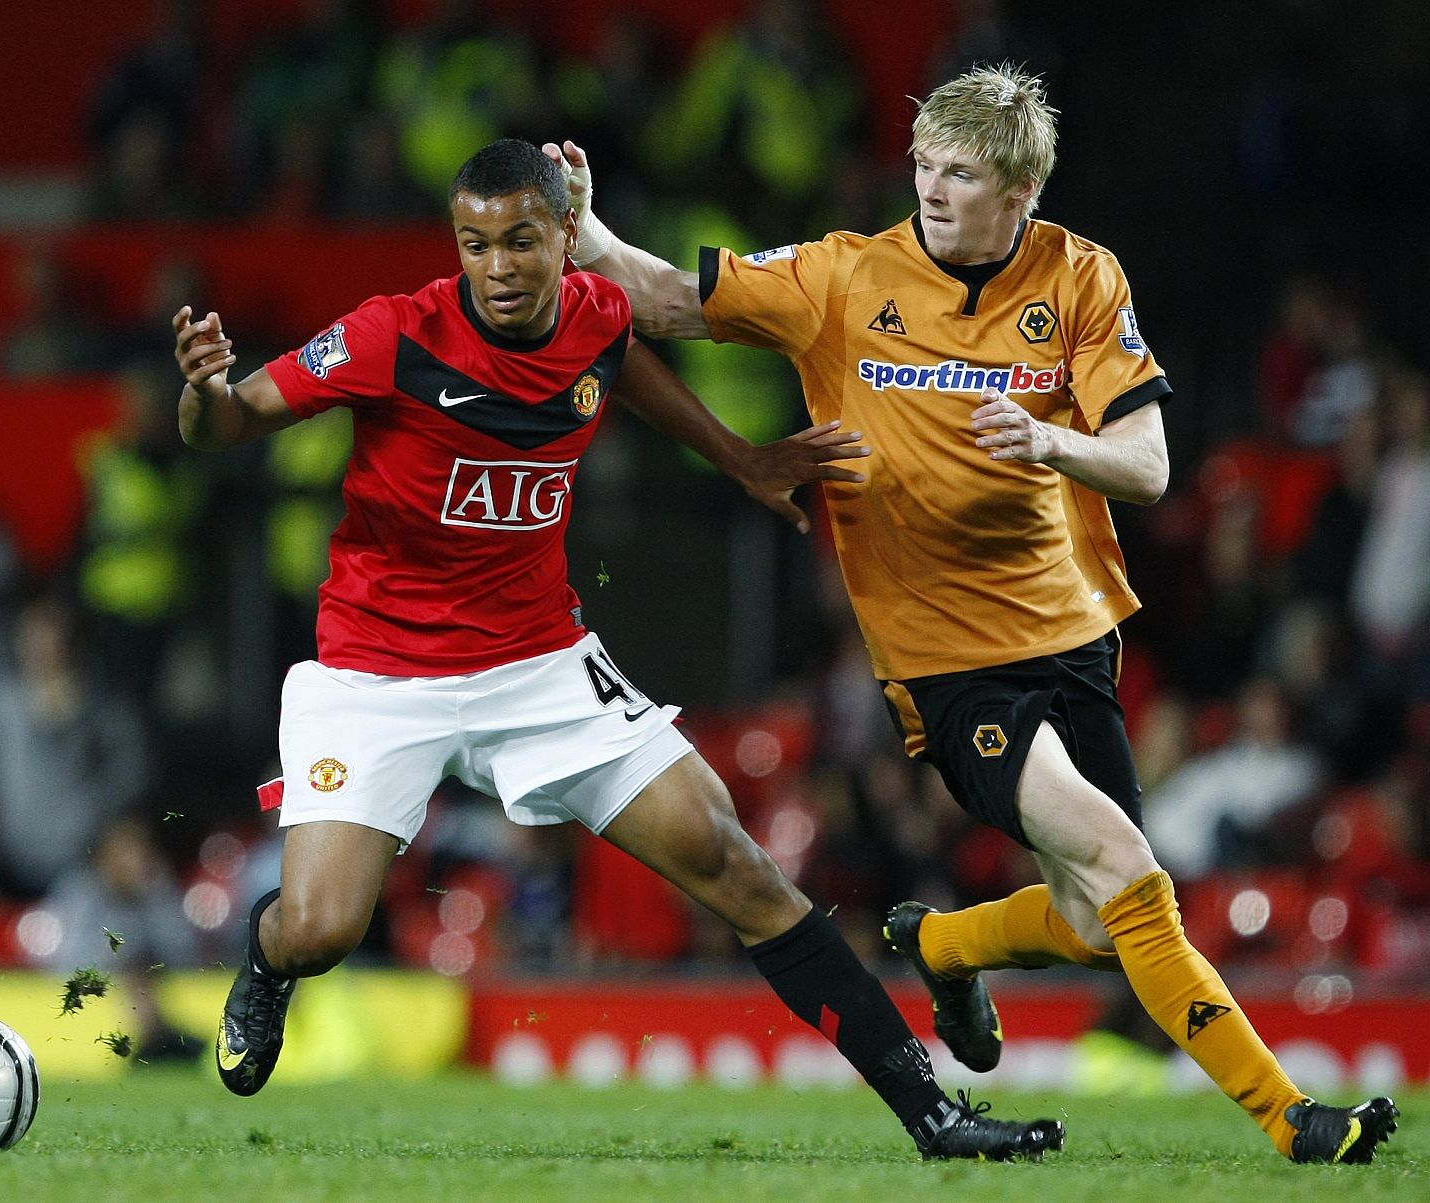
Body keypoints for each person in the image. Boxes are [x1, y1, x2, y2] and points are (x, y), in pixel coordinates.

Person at [547, 64, 1399, 1165]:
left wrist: (1052, 441)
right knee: (1125, 863)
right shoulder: (843, 277)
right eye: (924, 167)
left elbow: (1144, 466)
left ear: (1023, 193)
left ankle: (944, 946)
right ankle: (1294, 1120)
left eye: (963, 174)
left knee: (1098, 922)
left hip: (1074, 636)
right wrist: (590, 230)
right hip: (948, 663)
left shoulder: (1083, 280)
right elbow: (665, 297)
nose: (934, 191)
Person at [172, 137, 1063, 1161]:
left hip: (537, 664)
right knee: (322, 929)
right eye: (475, 244)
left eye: (519, 241)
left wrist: (737, 457)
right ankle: (268, 958)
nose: (498, 266)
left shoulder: (595, 313)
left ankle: (933, 1116)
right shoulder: (392, 336)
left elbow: (623, 363)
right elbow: (230, 426)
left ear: (563, 236)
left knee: (736, 864)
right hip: (380, 671)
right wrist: (204, 389)